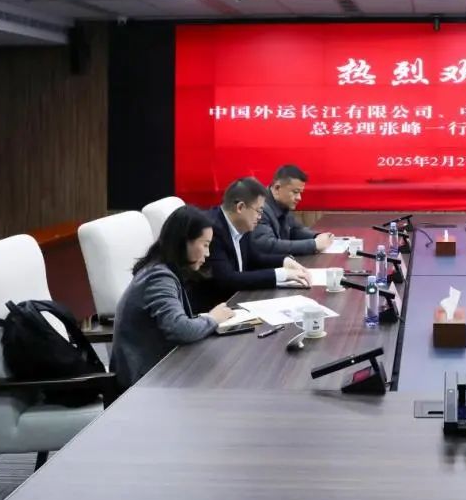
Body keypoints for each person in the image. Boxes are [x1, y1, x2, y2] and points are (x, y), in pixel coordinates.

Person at [110, 205, 234, 391]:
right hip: (142, 383)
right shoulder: (159, 277)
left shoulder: (161, 269)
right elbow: (180, 329)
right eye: (205, 245)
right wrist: (213, 318)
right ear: (184, 242)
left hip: (159, 369)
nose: (208, 254)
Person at [192, 176, 310, 312]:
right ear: (240, 207)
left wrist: (284, 261)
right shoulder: (212, 229)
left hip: (236, 301)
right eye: (259, 211)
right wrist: (281, 274)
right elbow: (227, 279)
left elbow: (254, 258)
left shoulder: (242, 224)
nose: (260, 217)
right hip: (213, 309)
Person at [249, 165, 335, 256]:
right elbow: (268, 245)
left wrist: (316, 236)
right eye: (295, 192)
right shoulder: (260, 208)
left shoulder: (282, 204)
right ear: (277, 188)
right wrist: (313, 245)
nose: (299, 198)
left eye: (300, 193)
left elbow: (294, 230)